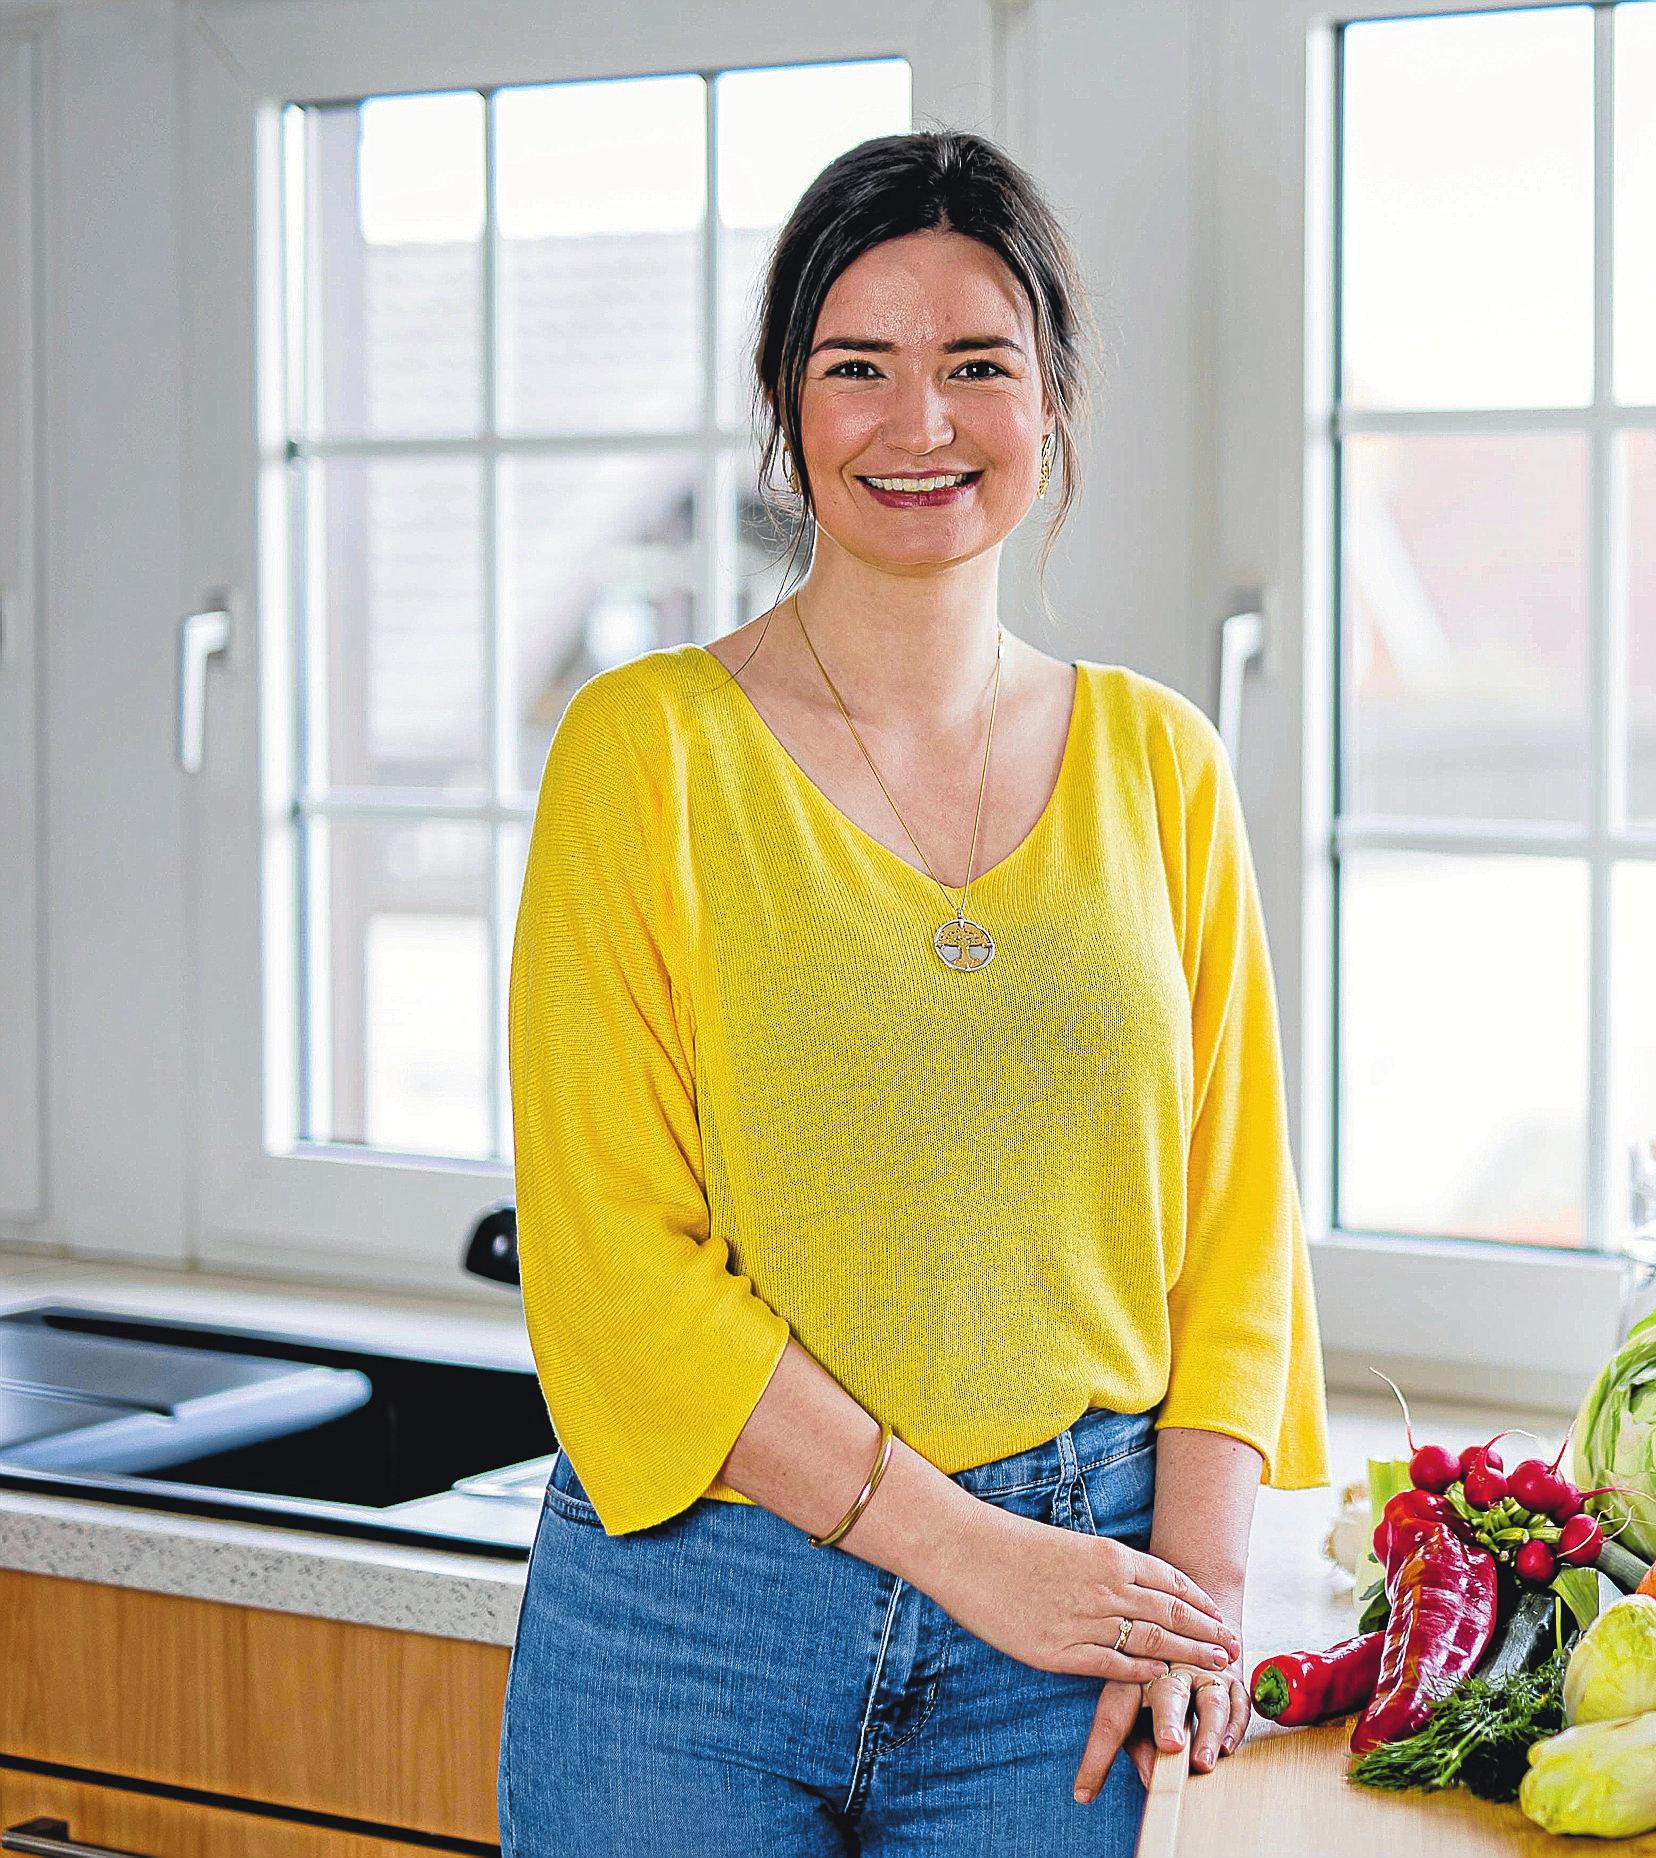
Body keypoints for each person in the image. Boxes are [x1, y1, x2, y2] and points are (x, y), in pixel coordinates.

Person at [495, 127, 1328, 1857]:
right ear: (786, 407)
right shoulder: (643, 754)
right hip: (692, 1622)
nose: (922, 422)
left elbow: (1238, 1223)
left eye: (979, 367)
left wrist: (1192, 1591)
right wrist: (967, 1553)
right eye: (856, 366)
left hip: (1077, 1628)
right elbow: (614, 1264)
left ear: (1055, 406)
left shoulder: (1162, 766)